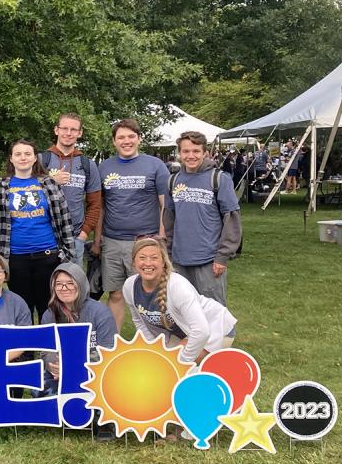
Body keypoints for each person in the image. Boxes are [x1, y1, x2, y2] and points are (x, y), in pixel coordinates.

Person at [0, 140, 75, 322]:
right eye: (18, 154)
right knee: (21, 308)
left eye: (27, 154)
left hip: (48, 256)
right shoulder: (0, 188)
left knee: (48, 307)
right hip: (15, 259)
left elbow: (65, 220)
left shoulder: (49, 184)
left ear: (34, 158)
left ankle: (49, 340)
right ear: (11, 159)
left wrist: (68, 254)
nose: (23, 158)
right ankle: (25, 341)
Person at [95, 119, 170, 330]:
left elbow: (165, 205)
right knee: (115, 293)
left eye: (131, 136)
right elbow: (100, 207)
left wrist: (161, 237)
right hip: (112, 241)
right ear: (114, 141)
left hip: (146, 241)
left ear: (139, 139)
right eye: (121, 137)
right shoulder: (104, 167)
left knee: (149, 293)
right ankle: (112, 340)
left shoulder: (155, 165)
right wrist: (97, 239)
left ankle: (153, 340)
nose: (126, 141)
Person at [123, 238, 237, 364]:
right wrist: (152, 349)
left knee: (169, 365)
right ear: (134, 262)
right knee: (152, 363)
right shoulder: (129, 286)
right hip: (184, 334)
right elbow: (140, 321)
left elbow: (202, 331)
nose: (148, 263)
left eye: (154, 258)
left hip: (214, 329)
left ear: (163, 262)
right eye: (142, 258)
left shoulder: (178, 286)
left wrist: (181, 363)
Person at [40, 261, 117, 440]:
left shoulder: (100, 312)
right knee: (40, 388)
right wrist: (53, 365)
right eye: (59, 284)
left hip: (96, 372)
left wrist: (73, 369)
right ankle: (70, 413)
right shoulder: (49, 315)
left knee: (113, 381)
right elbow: (45, 351)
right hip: (60, 374)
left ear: (80, 284)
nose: (64, 288)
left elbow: (108, 350)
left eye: (70, 283)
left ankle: (103, 420)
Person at [163, 132, 241, 305]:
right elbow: (169, 220)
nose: (191, 156)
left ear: (205, 153)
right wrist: (168, 254)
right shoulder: (173, 181)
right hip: (179, 261)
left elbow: (232, 220)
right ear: (179, 153)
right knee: (183, 310)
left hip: (209, 260)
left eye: (196, 151)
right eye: (186, 151)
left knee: (212, 311)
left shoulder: (219, 179)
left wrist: (222, 256)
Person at [40, 113, 102, 261]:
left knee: (71, 277)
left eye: (73, 129)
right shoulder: (40, 160)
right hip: (42, 236)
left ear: (80, 133)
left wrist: (84, 234)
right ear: (56, 130)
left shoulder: (88, 165)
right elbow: (25, 194)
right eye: (64, 128)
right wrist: (51, 181)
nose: (68, 133)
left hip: (74, 238)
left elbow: (95, 204)